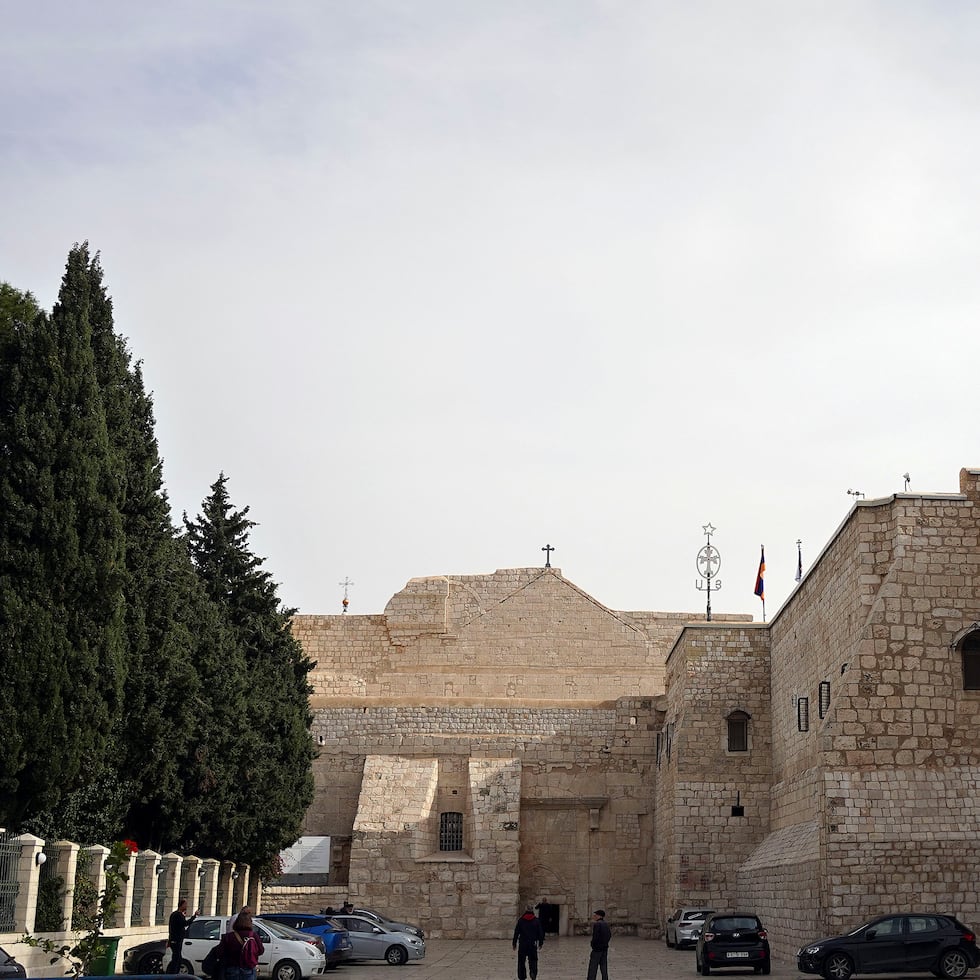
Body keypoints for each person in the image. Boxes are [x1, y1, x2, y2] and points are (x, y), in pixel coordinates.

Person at [219, 909, 265, 980]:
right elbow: (261, 950)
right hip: (249, 968)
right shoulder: (253, 935)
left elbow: (221, 952)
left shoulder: (229, 936)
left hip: (232, 968)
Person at [167, 898, 199, 973]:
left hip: (175, 939)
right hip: (176, 940)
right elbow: (184, 924)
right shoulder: (177, 915)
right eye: (185, 904)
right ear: (181, 905)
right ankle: (174, 973)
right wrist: (194, 916)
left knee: (178, 958)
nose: (186, 906)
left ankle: (175, 972)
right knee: (176, 958)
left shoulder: (176, 914)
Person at [513, 904, 544, 980]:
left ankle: (522, 976)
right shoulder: (536, 921)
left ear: (526, 910)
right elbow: (540, 933)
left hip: (523, 944)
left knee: (521, 961)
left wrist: (514, 943)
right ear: (532, 910)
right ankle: (533, 972)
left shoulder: (521, 921)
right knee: (533, 960)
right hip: (532, 944)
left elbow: (516, 932)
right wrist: (540, 943)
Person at [586, 909, 611, 980]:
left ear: (599, 916)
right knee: (604, 966)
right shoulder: (606, 924)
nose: (594, 916)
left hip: (597, 950)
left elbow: (595, 937)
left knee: (593, 967)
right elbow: (609, 935)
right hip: (604, 949)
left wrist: (593, 945)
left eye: (595, 915)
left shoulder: (597, 924)